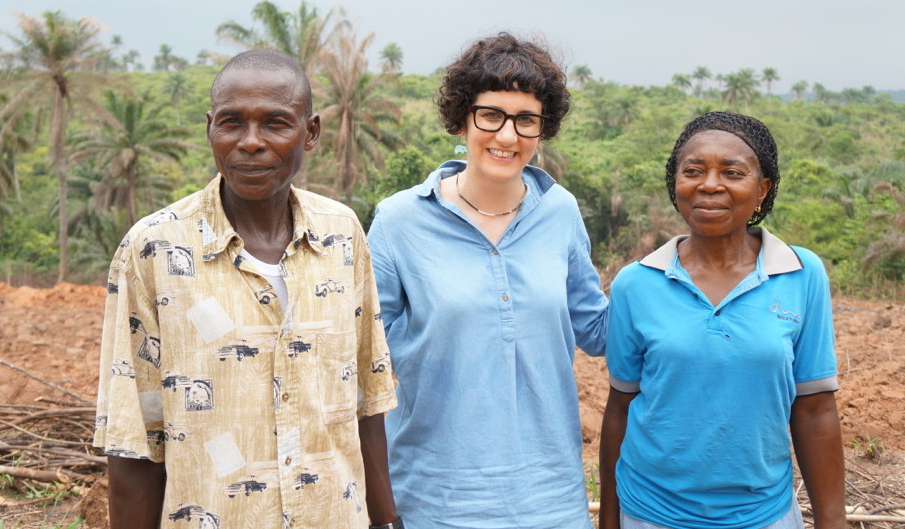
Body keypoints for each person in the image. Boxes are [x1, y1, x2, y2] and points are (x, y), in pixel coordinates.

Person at [94, 48, 403, 529]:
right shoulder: (154, 249)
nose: (251, 142)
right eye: (232, 122)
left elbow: (367, 403)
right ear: (210, 128)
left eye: (276, 123)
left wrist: (387, 520)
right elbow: (135, 436)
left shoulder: (342, 235)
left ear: (311, 132)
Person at [367, 33, 609, 529]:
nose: (507, 135)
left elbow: (598, 330)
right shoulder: (398, 221)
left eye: (526, 120)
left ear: (543, 130)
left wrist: (679, 270)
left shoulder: (560, 211)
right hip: (432, 499)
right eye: (491, 115)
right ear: (462, 118)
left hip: (551, 500)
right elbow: (362, 360)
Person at [599, 111, 845, 529]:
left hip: (764, 515)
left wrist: (831, 522)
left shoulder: (802, 274)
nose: (710, 184)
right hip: (649, 514)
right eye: (693, 170)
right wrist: (609, 518)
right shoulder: (635, 283)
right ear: (675, 184)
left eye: (732, 172)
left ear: (763, 189)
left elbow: (815, 408)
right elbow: (621, 405)